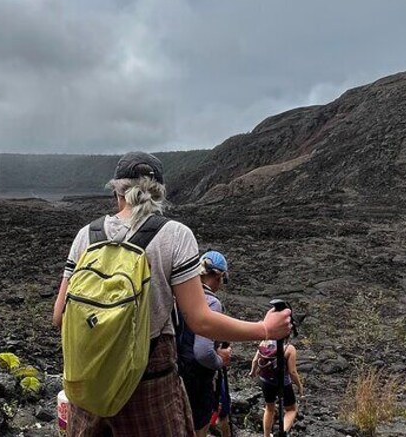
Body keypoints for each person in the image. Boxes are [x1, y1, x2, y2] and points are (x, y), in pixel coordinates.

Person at [53, 151, 292, 437]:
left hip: (88, 381)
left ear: (117, 191)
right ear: (159, 193)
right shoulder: (174, 235)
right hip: (149, 379)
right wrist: (265, 328)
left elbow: (59, 316)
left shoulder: (86, 235)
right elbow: (200, 320)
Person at [176, 250, 232, 437]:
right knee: (198, 427)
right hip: (197, 378)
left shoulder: (179, 296)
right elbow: (203, 352)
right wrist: (220, 360)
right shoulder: (211, 303)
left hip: (176, 372)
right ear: (218, 276)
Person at [249, 339, 304, 437]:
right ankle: (282, 432)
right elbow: (292, 372)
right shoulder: (289, 349)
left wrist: (252, 372)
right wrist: (299, 386)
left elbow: (255, 360)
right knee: (291, 410)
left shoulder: (264, 342)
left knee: (269, 408)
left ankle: (266, 435)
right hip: (283, 383)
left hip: (266, 381)